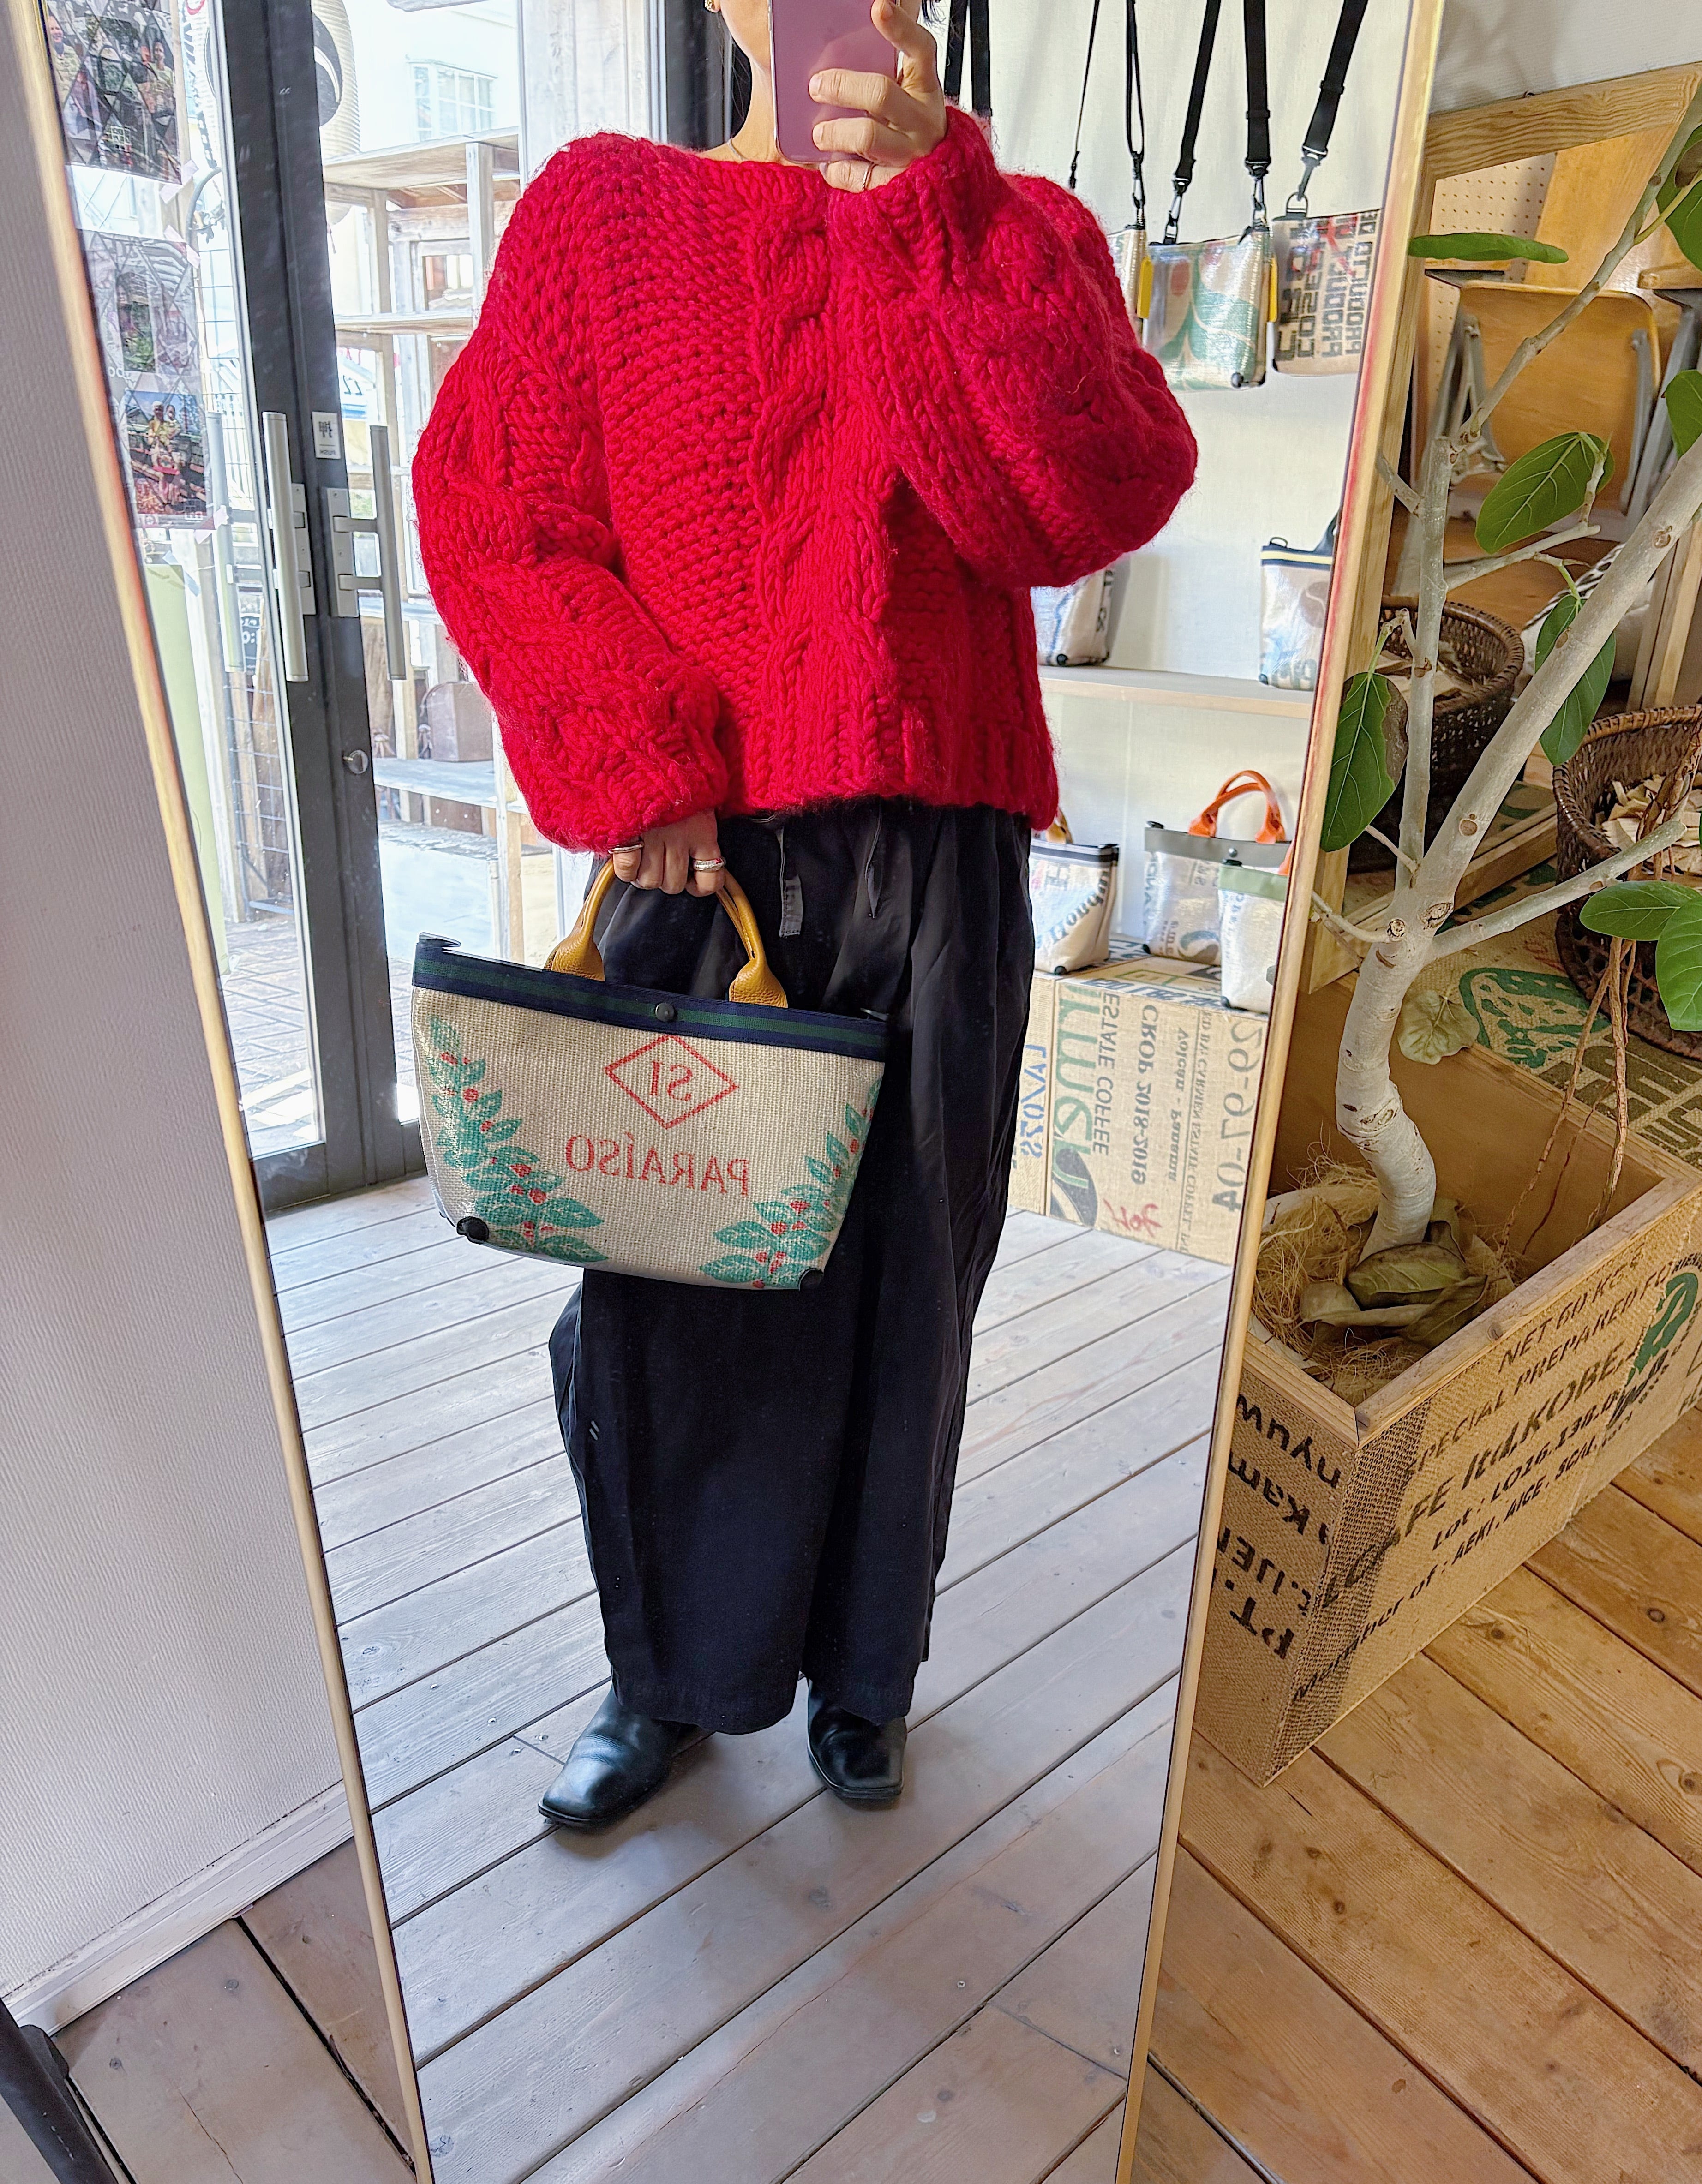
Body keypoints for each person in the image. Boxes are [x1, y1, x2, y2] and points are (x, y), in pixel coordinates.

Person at [412, 0, 1194, 1828]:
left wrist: (937, 208)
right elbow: (495, 512)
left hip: (942, 850)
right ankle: (664, 1677)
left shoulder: (1016, 225)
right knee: (671, 1286)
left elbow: (1078, 506)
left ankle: (865, 1672)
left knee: (913, 1287)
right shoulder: (603, 212)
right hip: (699, 850)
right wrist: (635, 759)